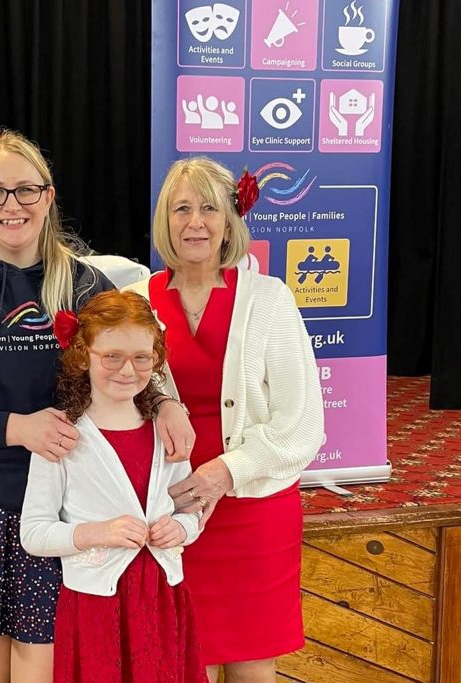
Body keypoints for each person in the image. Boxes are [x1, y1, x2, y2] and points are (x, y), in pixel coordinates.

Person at [0, 130, 192, 681]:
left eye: (26, 190)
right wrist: (14, 428)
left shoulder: (84, 284)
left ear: (48, 198)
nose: (12, 205)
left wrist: (167, 402)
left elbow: (133, 359)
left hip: (62, 510)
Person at [127, 157, 325, 683]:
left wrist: (223, 473)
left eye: (209, 209)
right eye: (181, 209)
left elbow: (302, 425)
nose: (195, 222)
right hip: (169, 509)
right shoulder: (135, 303)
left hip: (253, 510)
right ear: (164, 221)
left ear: (231, 220)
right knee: (183, 661)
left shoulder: (270, 301)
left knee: (253, 665)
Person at [20, 290, 207, 683]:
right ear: (82, 353)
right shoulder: (63, 437)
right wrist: (98, 533)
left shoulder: (167, 431)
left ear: (156, 359)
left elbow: (192, 509)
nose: (127, 370)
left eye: (141, 358)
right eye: (112, 357)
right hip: (95, 606)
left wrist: (182, 528)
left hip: (161, 599)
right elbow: (34, 533)